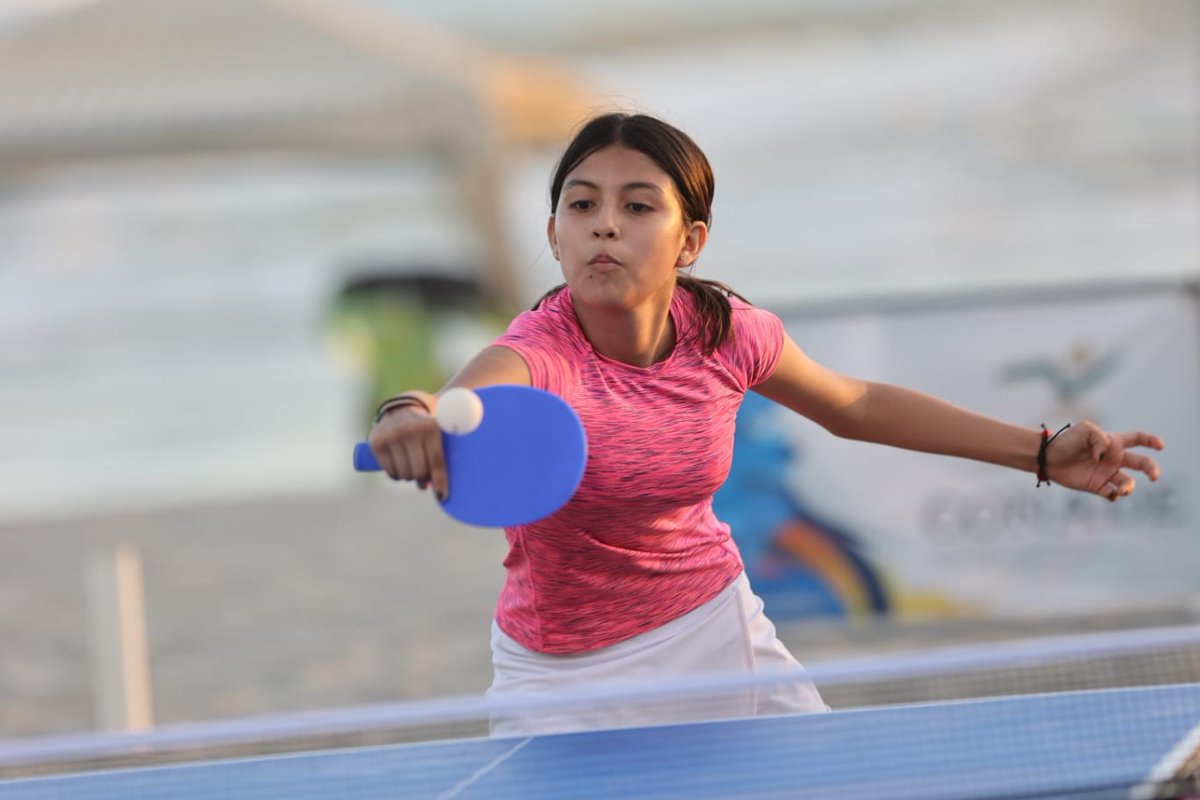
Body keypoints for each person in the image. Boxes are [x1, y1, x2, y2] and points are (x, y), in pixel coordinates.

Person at [365, 112, 1165, 735]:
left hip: (716, 637)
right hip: (566, 677)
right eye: (582, 205)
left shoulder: (728, 334)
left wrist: (1040, 450)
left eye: (637, 205)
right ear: (554, 234)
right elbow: (466, 394)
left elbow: (855, 405)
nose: (604, 225)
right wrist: (411, 412)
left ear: (689, 240)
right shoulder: (542, 349)